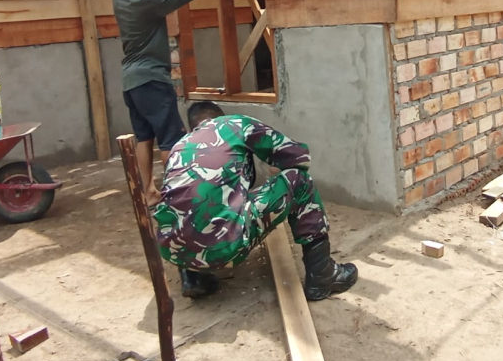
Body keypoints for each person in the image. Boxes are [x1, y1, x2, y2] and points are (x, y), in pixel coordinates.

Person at [153, 101, 359, 300]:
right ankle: (323, 275)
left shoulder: (178, 148)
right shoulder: (235, 124)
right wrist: (279, 167)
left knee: (193, 204)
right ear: (220, 117)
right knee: (299, 179)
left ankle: (193, 277)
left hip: (173, 250)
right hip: (224, 248)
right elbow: (299, 156)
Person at [112, 0, 247, 205]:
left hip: (131, 82)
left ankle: (149, 191)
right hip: (151, 80)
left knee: (144, 137)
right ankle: (179, 197)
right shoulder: (150, 1)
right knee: (170, 140)